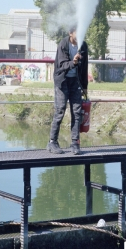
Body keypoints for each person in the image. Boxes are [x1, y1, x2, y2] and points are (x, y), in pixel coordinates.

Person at [47, 27, 88, 155]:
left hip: (75, 82)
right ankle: (52, 142)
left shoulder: (83, 45)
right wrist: (74, 62)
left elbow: (84, 67)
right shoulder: (63, 44)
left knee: (77, 112)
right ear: (71, 33)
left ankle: (75, 143)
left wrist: (85, 86)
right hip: (62, 81)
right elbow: (62, 65)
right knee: (60, 110)